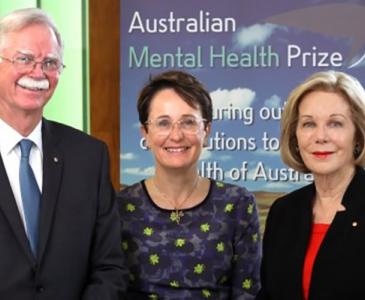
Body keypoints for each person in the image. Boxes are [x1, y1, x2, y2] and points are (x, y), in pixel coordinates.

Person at [0, 8, 127, 299]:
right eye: (24, 58)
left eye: (50, 62)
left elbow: (110, 268)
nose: (38, 72)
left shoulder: (89, 156)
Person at [118, 70, 261, 299]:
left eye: (188, 122)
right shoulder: (118, 207)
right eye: (163, 123)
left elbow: (248, 292)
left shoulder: (238, 204)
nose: (176, 135)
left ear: (206, 131)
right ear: (145, 133)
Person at [256, 70, 365, 300]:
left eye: (335, 124)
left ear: (358, 135)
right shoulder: (283, 212)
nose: (320, 136)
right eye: (308, 124)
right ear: (295, 136)